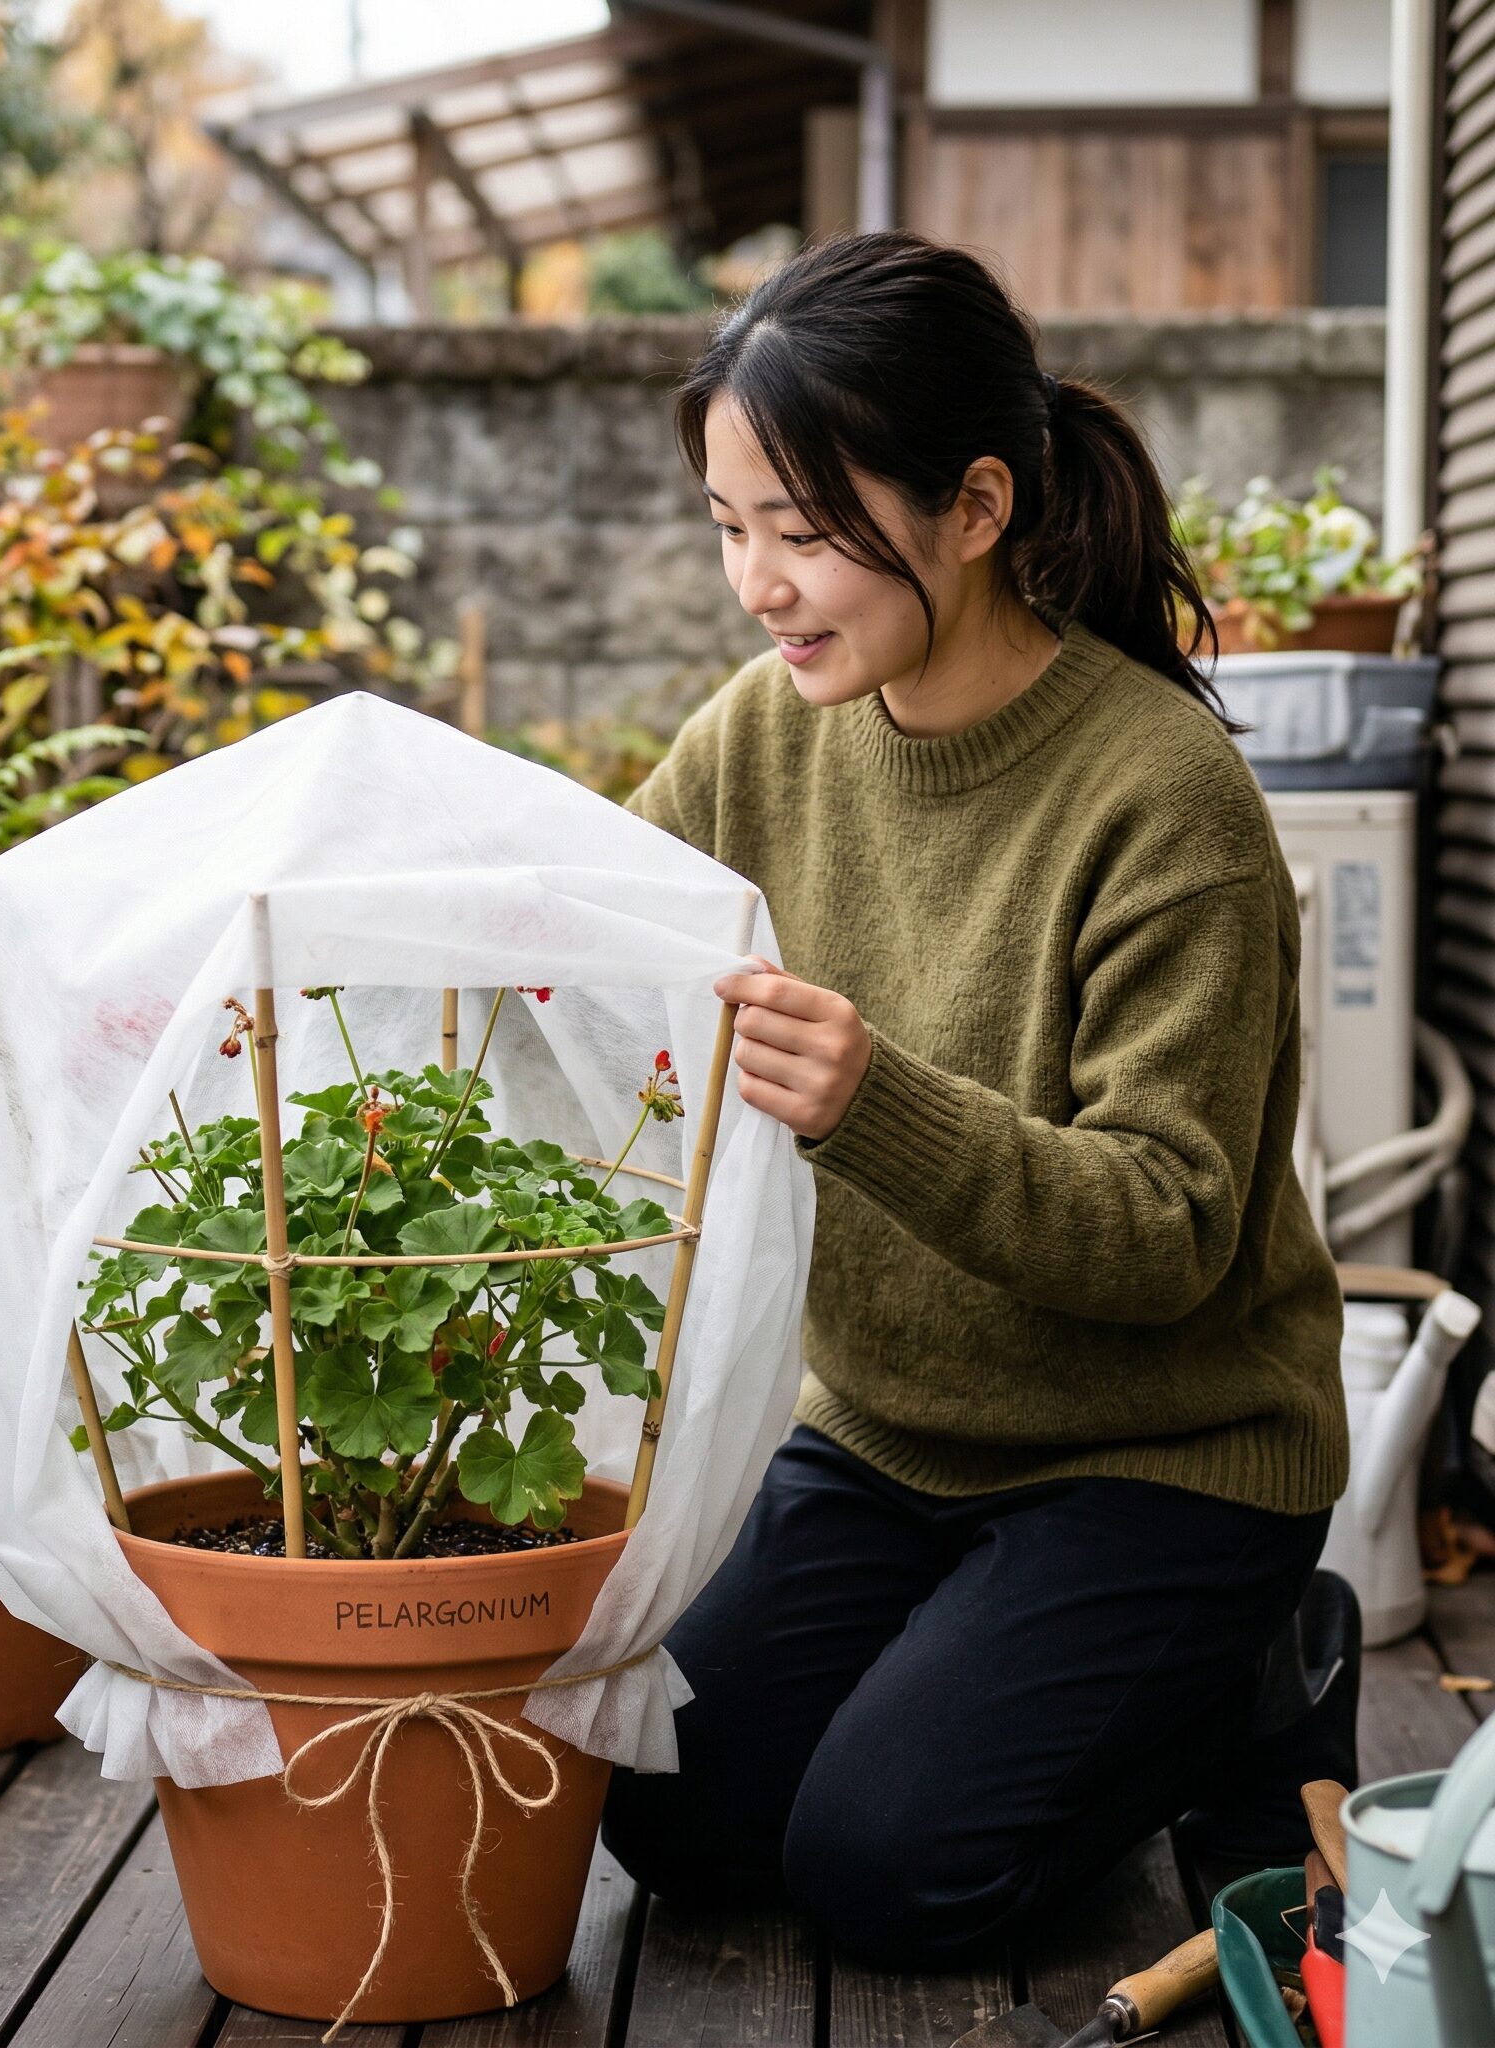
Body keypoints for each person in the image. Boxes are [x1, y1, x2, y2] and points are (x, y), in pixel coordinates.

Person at [602, 230, 1352, 1966]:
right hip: (885, 1435)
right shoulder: (760, 732)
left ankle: (1246, 1687)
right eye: (731, 529)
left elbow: (1168, 1231)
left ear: (978, 506)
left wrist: (876, 1102)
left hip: (1166, 1454)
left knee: (892, 1873)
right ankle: (991, 1656)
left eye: (805, 532)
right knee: (671, 1810)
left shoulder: (1167, 798)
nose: (760, 586)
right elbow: (604, 924)